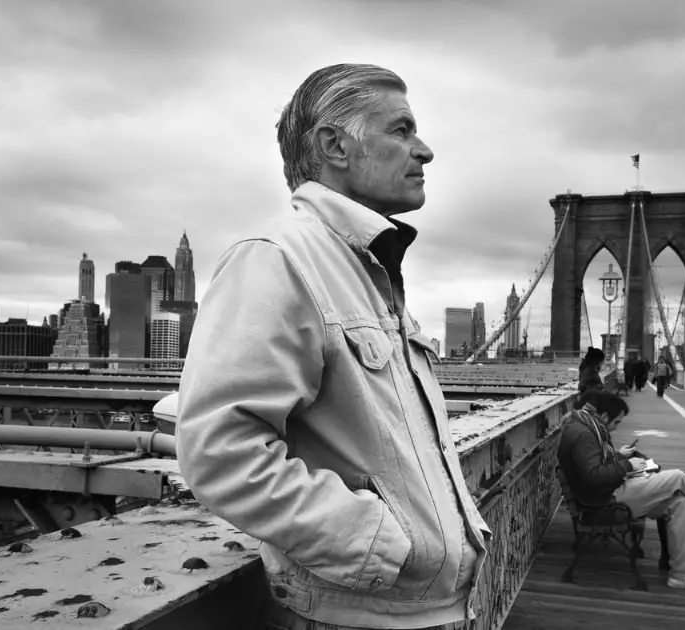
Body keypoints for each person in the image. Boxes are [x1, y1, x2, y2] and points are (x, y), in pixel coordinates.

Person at [175, 64, 490, 630]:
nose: (425, 150)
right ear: (334, 145)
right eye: (401, 130)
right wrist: (377, 543)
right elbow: (221, 451)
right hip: (353, 617)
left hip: (429, 610)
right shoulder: (279, 259)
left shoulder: (368, 269)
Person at [559, 390, 685, 592]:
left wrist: (619, 456)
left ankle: (684, 576)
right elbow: (594, 476)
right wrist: (628, 466)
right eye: (616, 423)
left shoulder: (582, 426)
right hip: (605, 501)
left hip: (604, 494)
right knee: (676, 476)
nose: (615, 429)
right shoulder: (584, 435)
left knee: (679, 503)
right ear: (604, 417)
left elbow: (591, 465)